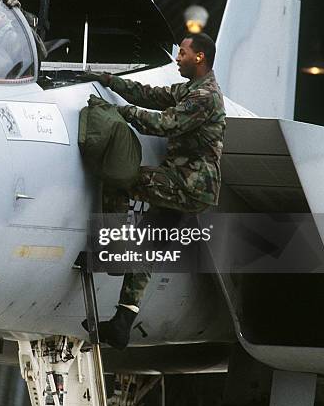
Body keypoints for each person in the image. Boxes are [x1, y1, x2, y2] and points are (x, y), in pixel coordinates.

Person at [81, 32, 226, 349]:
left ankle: (114, 250)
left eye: (183, 53)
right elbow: (150, 95)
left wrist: (123, 113)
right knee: (147, 249)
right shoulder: (191, 89)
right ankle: (122, 322)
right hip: (185, 183)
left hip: (190, 184)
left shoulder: (204, 97)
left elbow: (165, 124)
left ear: (199, 57)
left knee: (121, 178)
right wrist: (110, 80)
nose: (178, 58)